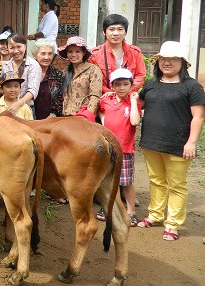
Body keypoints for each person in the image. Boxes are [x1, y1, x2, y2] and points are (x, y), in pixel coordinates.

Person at [136, 41, 205, 241]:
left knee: (176, 185)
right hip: (151, 142)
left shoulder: (192, 86)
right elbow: (138, 103)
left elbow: (198, 117)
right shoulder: (151, 84)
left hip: (178, 145)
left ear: (182, 62)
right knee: (156, 180)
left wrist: (191, 142)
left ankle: (172, 224)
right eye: (163, 59)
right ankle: (155, 214)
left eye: (173, 59)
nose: (167, 63)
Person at [96, 68, 141, 227]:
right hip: (108, 148)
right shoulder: (106, 100)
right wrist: (104, 121)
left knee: (126, 182)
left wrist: (134, 101)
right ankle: (107, 207)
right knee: (108, 180)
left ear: (131, 85)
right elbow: (100, 111)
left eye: (125, 84)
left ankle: (131, 211)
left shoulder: (133, 103)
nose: (122, 88)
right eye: (117, 84)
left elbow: (135, 121)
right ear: (112, 86)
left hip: (125, 149)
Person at [0, 71, 33, 213]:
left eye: (16, 86)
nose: (13, 90)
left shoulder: (25, 107)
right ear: (1, 89)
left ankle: (17, 199)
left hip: (19, 149)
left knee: (17, 175)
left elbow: (31, 128)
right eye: (8, 86)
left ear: (20, 88)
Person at [89, 14, 146, 94]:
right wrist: (112, 94)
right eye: (111, 29)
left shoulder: (135, 52)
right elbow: (92, 79)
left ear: (125, 32)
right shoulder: (94, 54)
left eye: (120, 29)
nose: (116, 33)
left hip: (128, 97)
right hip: (103, 98)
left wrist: (127, 92)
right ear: (104, 32)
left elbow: (140, 75)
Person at [57, 36, 102, 117]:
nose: (73, 55)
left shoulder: (93, 70)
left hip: (83, 117)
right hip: (65, 117)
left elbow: (95, 96)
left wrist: (87, 115)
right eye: (70, 51)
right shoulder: (64, 72)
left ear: (83, 53)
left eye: (77, 51)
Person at [1, 33, 41, 118]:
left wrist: (18, 103)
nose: (16, 51)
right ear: (7, 48)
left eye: (19, 47)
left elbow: (33, 90)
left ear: (25, 46)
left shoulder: (33, 65)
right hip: (7, 108)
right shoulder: (6, 65)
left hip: (26, 109)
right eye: (12, 48)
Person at [32, 39, 64, 119]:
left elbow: (61, 98)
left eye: (50, 54)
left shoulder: (58, 75)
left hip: (51, 120)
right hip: (29, 118)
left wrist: (54, 114)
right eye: (43, 53)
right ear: (35, 55)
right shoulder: (29, 73)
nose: (47, 57)